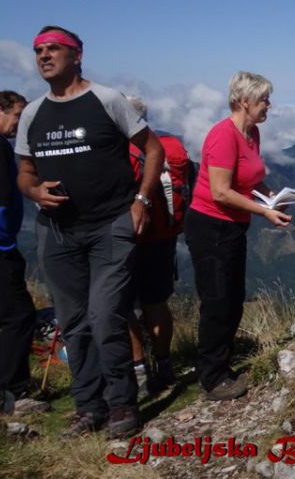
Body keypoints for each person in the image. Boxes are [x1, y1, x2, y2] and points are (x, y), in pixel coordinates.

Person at [15, 26, 164, 438]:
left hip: (109, 225)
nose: (44, 56)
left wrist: (142, 201)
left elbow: (154, 149)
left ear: (76, 55)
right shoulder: (32, 113)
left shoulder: (106, 100)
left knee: (104, 316)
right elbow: (25, 173)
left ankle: (121, 405)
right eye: (39, 51)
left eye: (54, 49)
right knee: (73, 322)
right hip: (57, 233)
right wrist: (34, 191)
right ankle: (89, 407)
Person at [185, 71, 291, 401]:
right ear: (244, 102)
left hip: (233, 227)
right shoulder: (222, 136)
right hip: (210, 226)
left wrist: (269, 194)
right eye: (264, 100)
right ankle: (212, 378)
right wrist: (263, 211)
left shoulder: (251, 133)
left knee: (232, 298)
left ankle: (222, 363)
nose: (269, 106)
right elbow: (220, 192)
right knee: (217, 301)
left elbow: (247, 178)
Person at [125, 96, 189, 398]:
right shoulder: (168, 148)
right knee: (157, 303)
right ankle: (164, 364)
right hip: (163, 238)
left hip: (126, 239)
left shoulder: (117, 151)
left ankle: (139, 372)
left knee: (124, 307)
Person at [0, 91, 49, 416]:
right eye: (17, 116)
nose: (19, 124)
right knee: (18, 316)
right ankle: (14, 391)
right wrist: (4, 247)